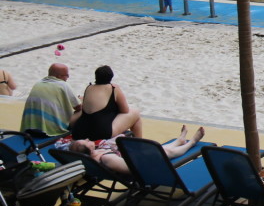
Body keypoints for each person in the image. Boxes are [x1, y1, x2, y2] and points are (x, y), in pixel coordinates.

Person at [68, 125, 205, 175]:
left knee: (157, 148)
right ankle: (191, 143)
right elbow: (129, 168)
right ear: (89, 150)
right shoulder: (106, 158)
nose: (87, 139)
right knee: (165, 152)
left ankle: (179, 140)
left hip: (134, 159)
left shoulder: (94, 156)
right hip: (140, 168)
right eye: (85, 142)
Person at [70, 65, 142, 141]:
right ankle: (138, 145)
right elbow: (125, 110)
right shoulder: (114, 88)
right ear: (111, 77)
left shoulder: (89, 87)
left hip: (80, 131)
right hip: (101, 132)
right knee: (135, 113)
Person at [20, 63, 81, 136]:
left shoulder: (38, 83)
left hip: (29, 128)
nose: (68, 77)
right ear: (59, 76)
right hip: (50, 130)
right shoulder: (63, 85)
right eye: (66, 75)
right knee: (82, 111)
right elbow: (78, 107)